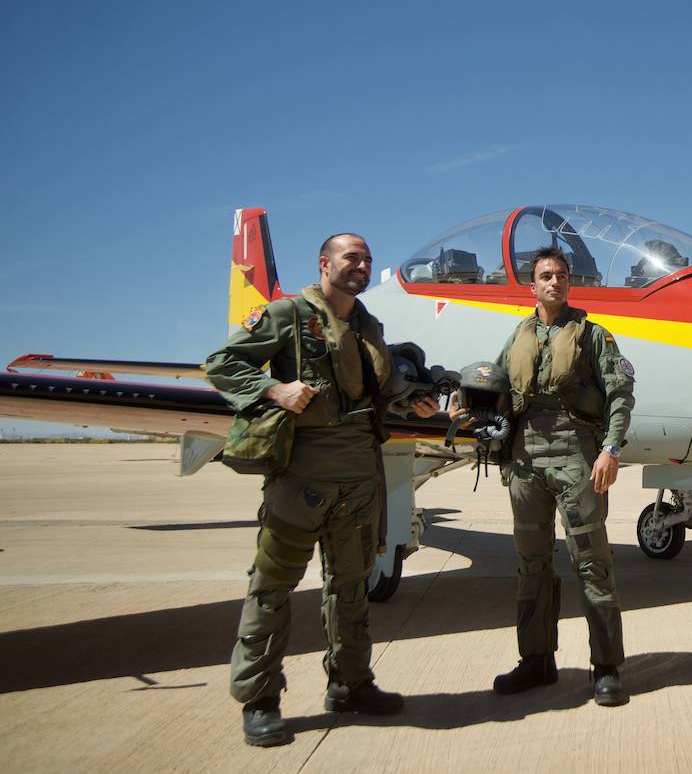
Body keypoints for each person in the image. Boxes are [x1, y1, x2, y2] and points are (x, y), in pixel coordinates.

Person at [206, 233, 438, 747]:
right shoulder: (288, 314)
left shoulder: (368, 326)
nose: (361, 265)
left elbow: (372, 397)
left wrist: (413, 407)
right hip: (301, 474)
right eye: (351, 257)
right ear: (325, 263)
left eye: (368, 260)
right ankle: (261, 699)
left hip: (358, 475)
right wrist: (274, 388)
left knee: (350, 587)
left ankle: (350, 683)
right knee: (272, 587)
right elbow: (223, 363)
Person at [464, 244, 635, 707]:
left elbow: (620, 393)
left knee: (591, 562)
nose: (554, 281)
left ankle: (606, 667)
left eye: (561, 274)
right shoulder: (517, 335)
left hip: (576, 451)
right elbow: (495, 386)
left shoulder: (593, 335)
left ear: (569, 282)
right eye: (545, 275)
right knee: (531, 564)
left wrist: (610, 448)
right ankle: (536, 660)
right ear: (532, 283)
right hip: (524, 459)